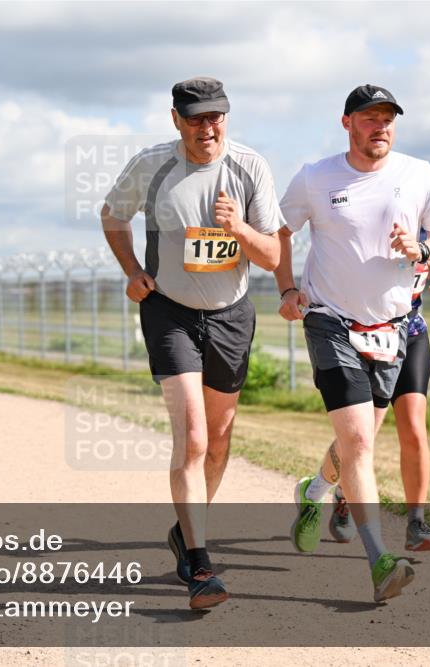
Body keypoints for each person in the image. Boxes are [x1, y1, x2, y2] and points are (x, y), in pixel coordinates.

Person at [274, 84, 430, 602]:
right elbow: (279, 232)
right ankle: (380, 559)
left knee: (359, 439)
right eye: (369, 117)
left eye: (387, 118)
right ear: (347, 122)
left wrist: (422, 248)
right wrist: (288, 288)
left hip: (394, 328)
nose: (380, 126)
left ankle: (313, 493)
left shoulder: (417, 172)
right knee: (357, 441)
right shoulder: (315, 177)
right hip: (330, 321)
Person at [101, 77, 282, 608]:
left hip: (230, 314)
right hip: (169, 311)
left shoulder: (250, 167)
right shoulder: (152, 164)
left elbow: (271, 255)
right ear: (175, 118)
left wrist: (239, 230)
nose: (208, 127)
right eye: (197, 118)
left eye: (216, 117)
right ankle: (201, 566)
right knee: (195, 436)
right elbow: (112, 216)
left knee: (221, 438)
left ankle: (186, 530)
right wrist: (132, 270)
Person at [329, 255, 430, 551]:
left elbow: (417, 261)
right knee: (361, 434)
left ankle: (417, 522)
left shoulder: (422, 223)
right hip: (366, 338)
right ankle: (343, 495)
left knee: (413, 426)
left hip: (411, 336)